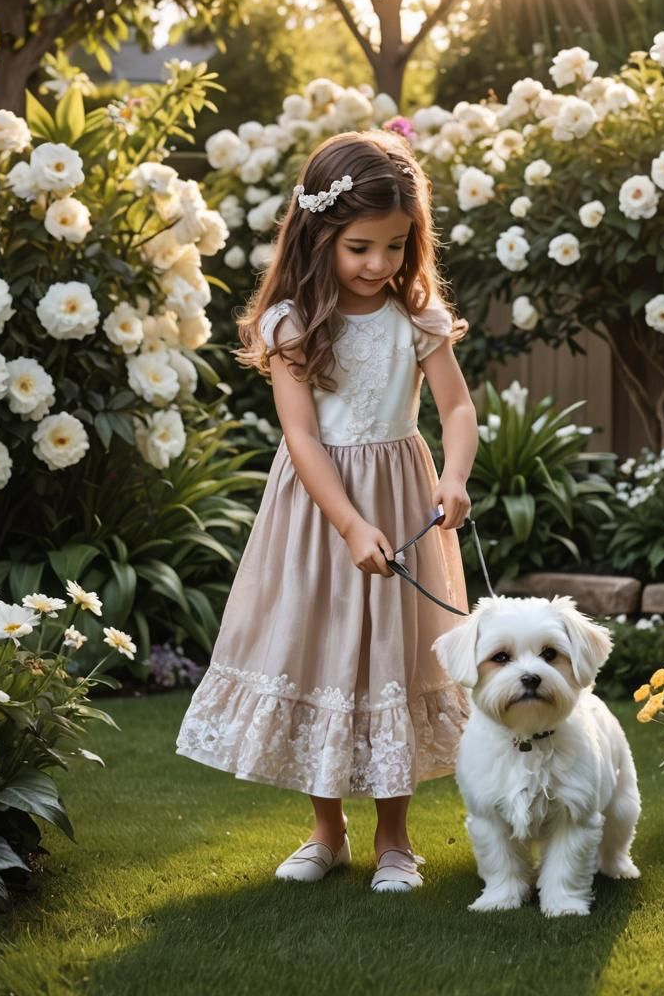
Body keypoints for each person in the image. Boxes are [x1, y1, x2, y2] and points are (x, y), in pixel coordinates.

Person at [175, 129, 479, 893]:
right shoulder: (293, 323)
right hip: (319, 513)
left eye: (395, 246)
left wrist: (454, 477)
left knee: (394, 658)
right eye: (360, 248)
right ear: (319, 238)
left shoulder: (419, 319)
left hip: (403, 495)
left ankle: (397, 841)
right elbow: (302, 435)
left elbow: (459, 408)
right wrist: (347, 522)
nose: (379, 264)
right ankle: (327, 830)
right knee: (321, 654)